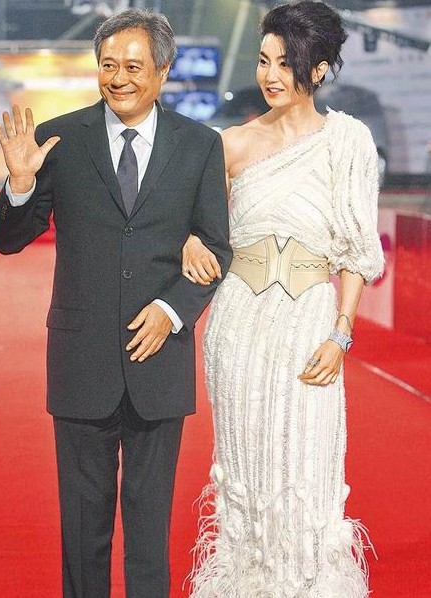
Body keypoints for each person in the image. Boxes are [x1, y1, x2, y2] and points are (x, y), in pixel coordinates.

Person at [0, 8, 231, 598]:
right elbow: (9, 239)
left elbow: (216, 251)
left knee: (149, 539)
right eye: (107, 65)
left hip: (159, 361)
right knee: (83, 535)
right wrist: (20, 185)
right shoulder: (59, 139)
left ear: (163, 71)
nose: (118, 78)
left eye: (133, 66)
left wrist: (171, 311)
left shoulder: (200, 146)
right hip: (81, 362)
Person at [182, 2, 384, 596]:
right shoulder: (231, 143)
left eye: (286, 63)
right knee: (245, 465)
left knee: (305, 463)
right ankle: (246, 582)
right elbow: (193, 224)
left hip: (309, 324)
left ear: (318, 69)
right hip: (239, 326)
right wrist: (190, 240)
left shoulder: (348, 140)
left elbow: (356, 249)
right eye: (264, 60)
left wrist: (341, 333)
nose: (270, 75)